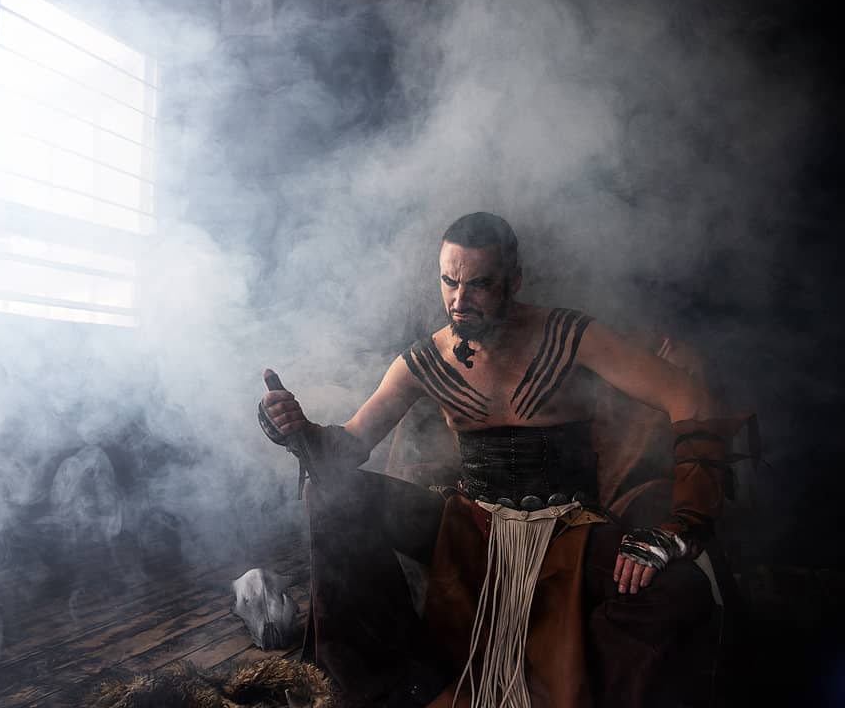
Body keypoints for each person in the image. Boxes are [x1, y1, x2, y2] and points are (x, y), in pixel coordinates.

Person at [259, 213, 751, 708]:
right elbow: (347, 447)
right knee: (331, 493)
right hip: (469, 529)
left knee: (678, 591)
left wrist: (678, 526)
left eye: (478, 285)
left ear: (513, 281)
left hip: (570, 532)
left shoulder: (570, 336)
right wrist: (296, 431)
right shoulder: (424, 361)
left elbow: (689, 398)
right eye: (449, 282)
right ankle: (388, 690)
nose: (458, 301)